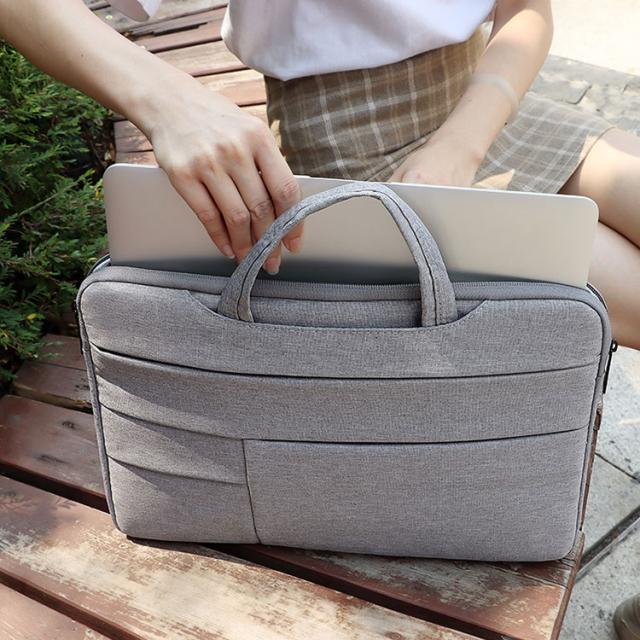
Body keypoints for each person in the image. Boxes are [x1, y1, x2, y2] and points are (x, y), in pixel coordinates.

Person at [1, 2, 638, 635]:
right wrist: (167, 101)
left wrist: (460, 144)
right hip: (351, 149)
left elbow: (526, 10)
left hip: (485, 107)